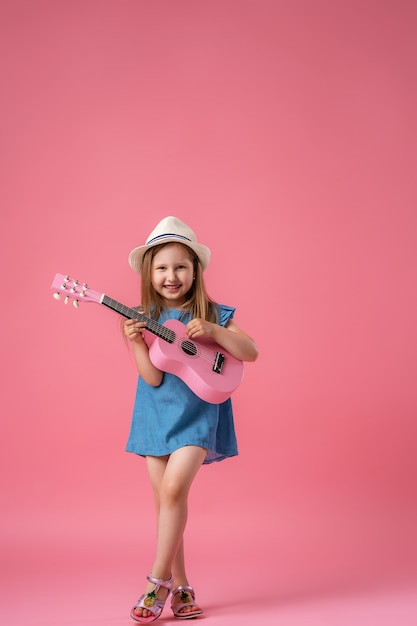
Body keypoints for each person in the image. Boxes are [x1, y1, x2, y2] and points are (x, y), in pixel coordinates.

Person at [123, 216, 258, 622]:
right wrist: (134, 343)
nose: (171, 276)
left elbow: (249, 351)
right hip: (154, 416)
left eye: (180, 266)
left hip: (198, 415)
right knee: (167, 502)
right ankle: (183, 589)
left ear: (195, 270)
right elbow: (152, 376)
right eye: (161, 268)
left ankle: (156, 582)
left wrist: (216, 331)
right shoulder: (143, 316)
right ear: (150, 273)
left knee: (176, 488)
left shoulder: (214, 312)